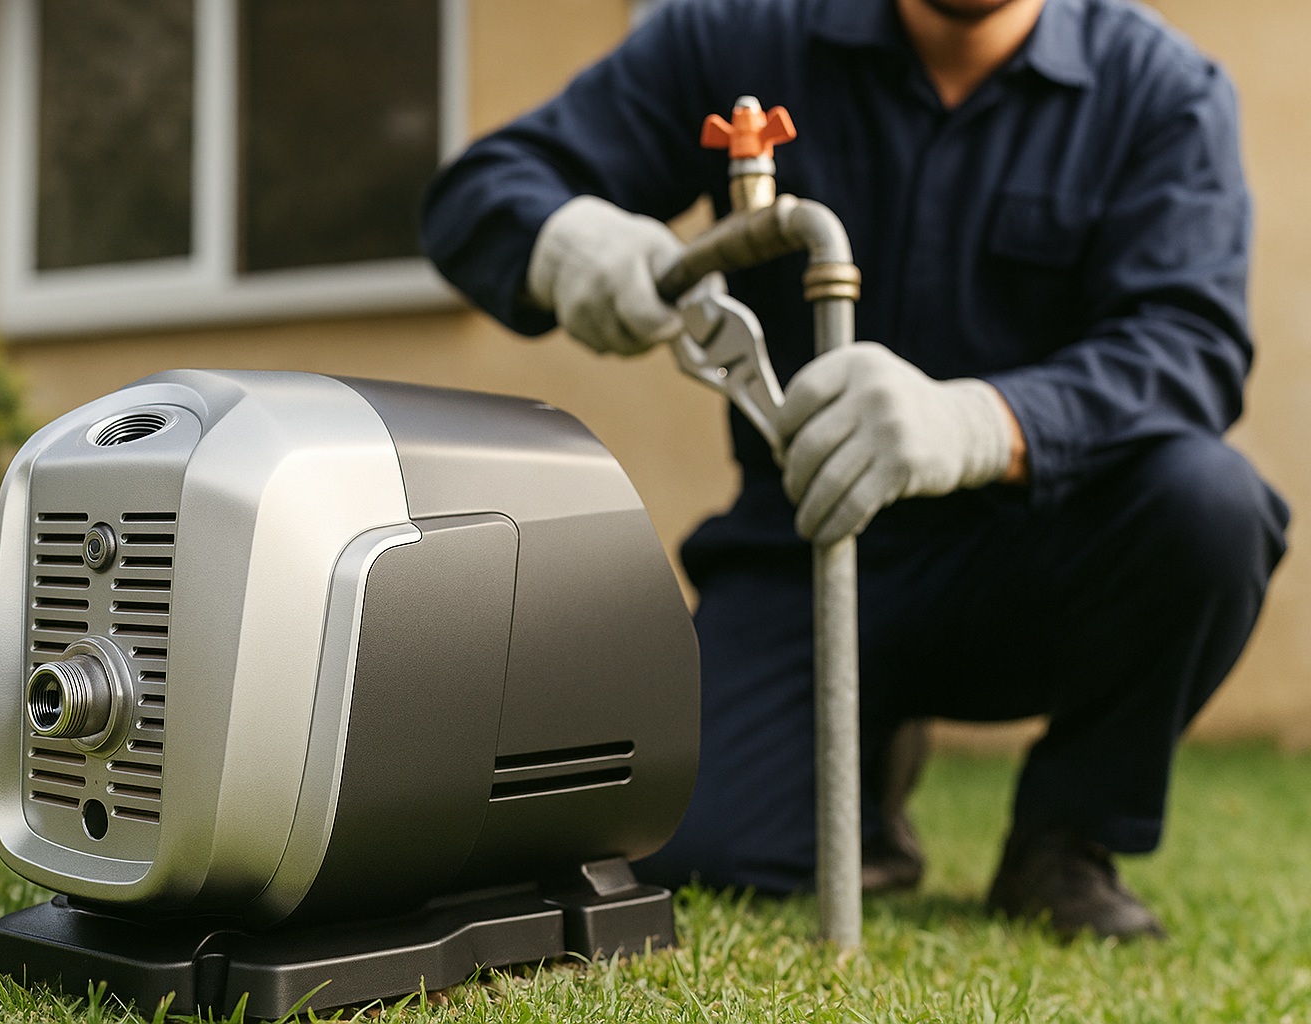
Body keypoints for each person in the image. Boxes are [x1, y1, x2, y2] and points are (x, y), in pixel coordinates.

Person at [420, 0, 1289, 939]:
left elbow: (1188, 344)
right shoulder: (736, 35)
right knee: (693, 847)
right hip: (800, 548)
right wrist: (562, 241)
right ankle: (864, 786)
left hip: (1036, 562)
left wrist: (981, 422)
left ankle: (1065, 840)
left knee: (1211, 505)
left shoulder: (1160, 89)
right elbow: (479, 190)